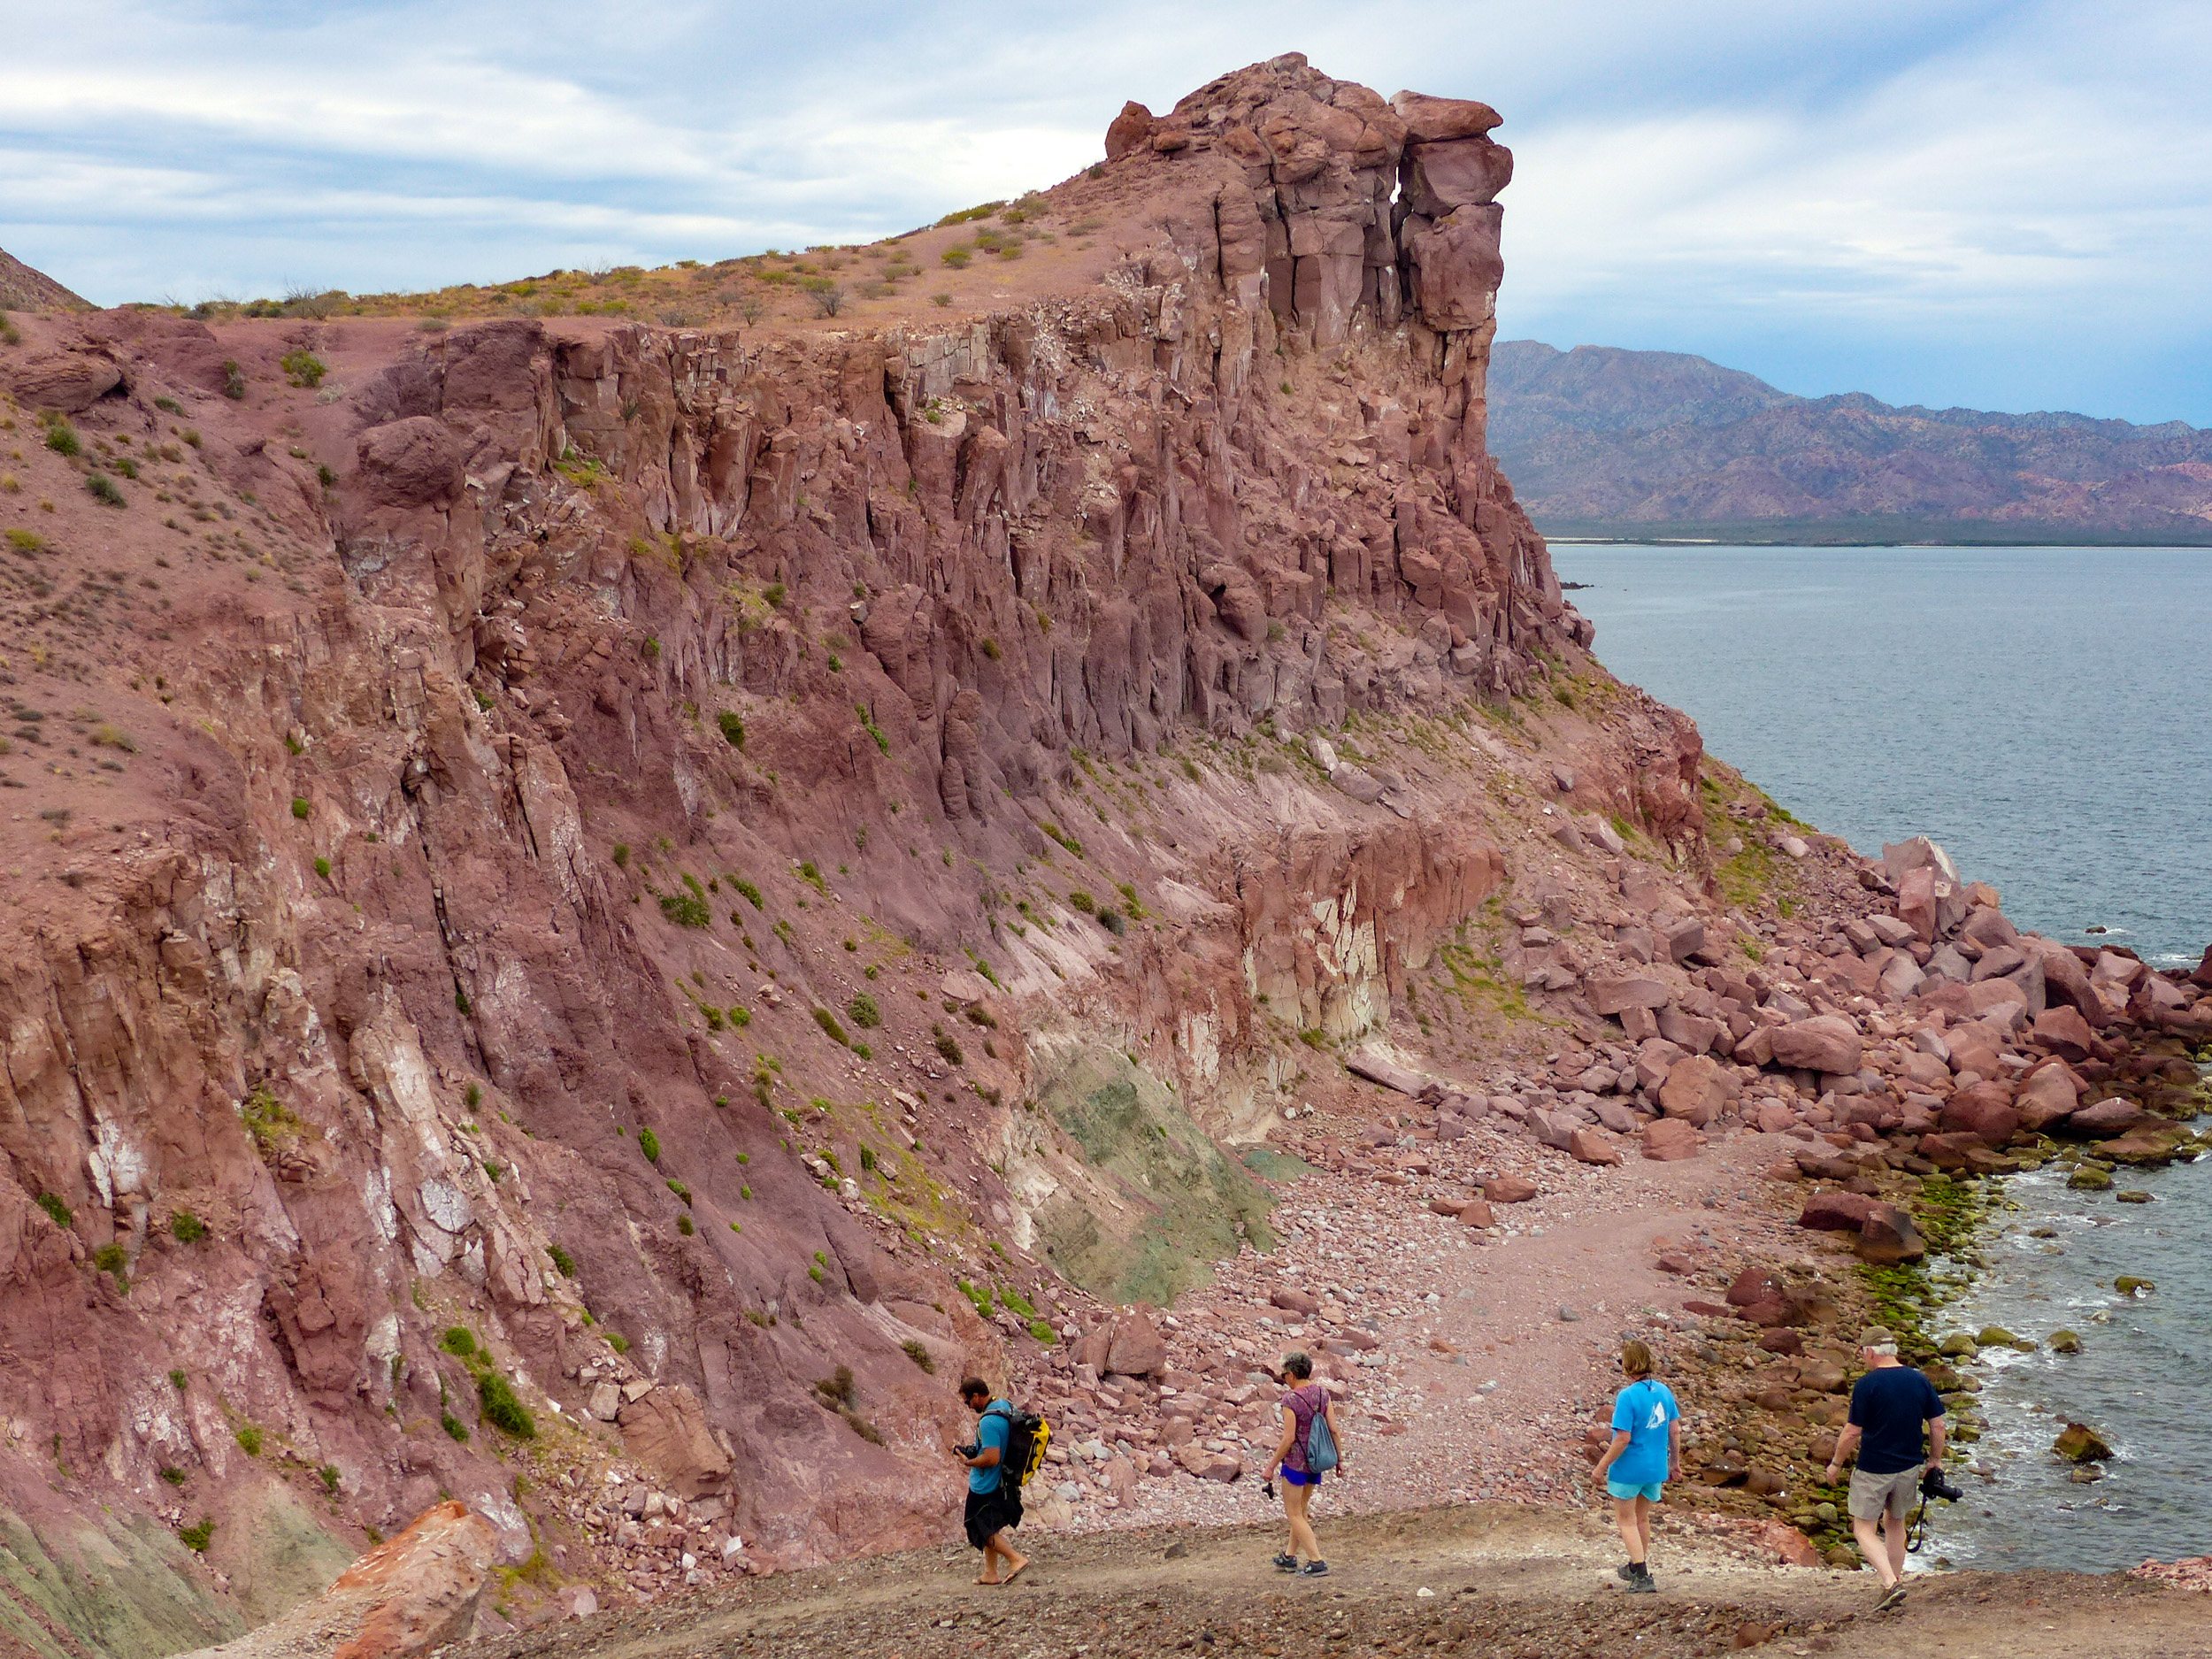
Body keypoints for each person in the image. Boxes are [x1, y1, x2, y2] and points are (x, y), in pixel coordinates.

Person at [1824, 1326, 1945, 1610]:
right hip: (1909, 1466)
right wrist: (1935, 1461)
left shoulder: (1867, 1385)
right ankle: (1894, 1580)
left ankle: (1891, 1583)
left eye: (1862, 1353)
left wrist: (1836, 1463)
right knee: (1895, 1522)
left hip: (1873, 1468)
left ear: (1870, 1352)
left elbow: (1852, 1432)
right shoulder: (1920, 1380)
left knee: (1863, 1530)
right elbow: (1937, 1425)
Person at [1591, 1339, 1680, 1594]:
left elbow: (1622, 1438)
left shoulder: (1627, 1396)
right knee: (1642, 1518)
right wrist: (1674, 1464)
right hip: (1655, 1468)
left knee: (1626, 1521)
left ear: (1628, 1364)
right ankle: (1636, 1565)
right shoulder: (1664, 1391)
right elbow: (1674, 1431)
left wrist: (1601, 1467)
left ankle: (1641, 1574)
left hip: (1630, 1469)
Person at [1263, 1352, 1344, 1577]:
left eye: (1284, 1375)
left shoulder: (1291, 1400)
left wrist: (1270, 1466)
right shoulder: (1322, 1393)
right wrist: (1339, 1459)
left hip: (1296, 1464)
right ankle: (1289, 1557)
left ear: (1291, 1374)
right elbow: (1334, 1429)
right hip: (1316, 1461)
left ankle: (1316, 1561)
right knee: (1302, 1510)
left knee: (1294, 1514)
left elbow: (1288, 1438)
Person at [956, 1378, 1028, 1586]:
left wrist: (968, 1461)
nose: (968, 1406)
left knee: (977, 1527)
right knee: (988, 1525)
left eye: (967, 1401)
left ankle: (1016, 1559)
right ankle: (990, 1573)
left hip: (986, 1484)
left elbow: (991, 1458)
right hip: (1002, 1482)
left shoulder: (988, 1421)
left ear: (977, 1396)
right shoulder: (1003, 1406)